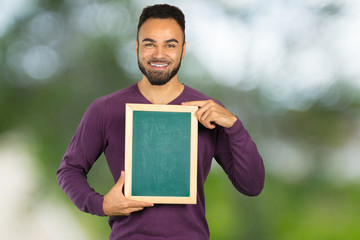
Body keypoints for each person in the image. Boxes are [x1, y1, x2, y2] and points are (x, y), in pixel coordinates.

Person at [57, 4, 265, 240]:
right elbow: (69, 170)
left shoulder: (209, 111)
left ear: (183, 50)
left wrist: (234, 125)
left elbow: (252, 185)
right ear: (136, 47)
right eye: (149, 44)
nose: (159, 54)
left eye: (170, 45)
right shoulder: (105, 109)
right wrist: (100, 204)